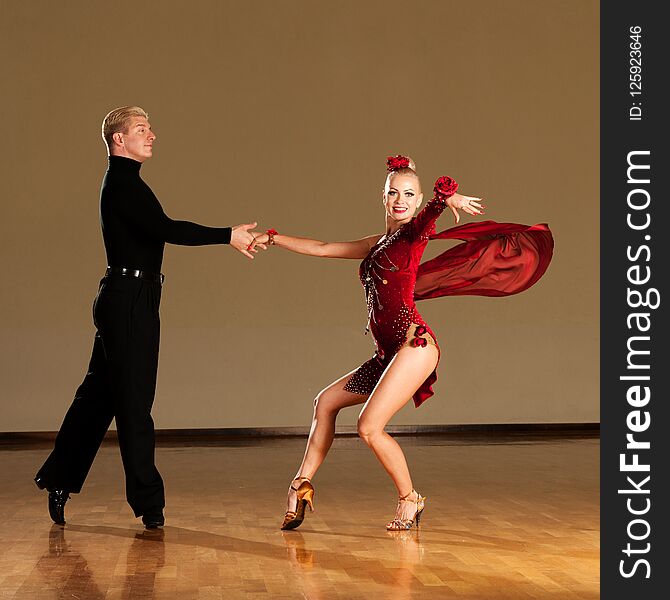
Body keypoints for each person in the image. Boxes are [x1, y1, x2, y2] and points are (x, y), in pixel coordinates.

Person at [249, 155, 553, 531]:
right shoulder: (378, 242)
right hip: (387, 354)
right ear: (383, 195)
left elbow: (427, 219)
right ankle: (300, 485)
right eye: (394, 192)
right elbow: (323, 247)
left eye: (409, 194)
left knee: (368, 427)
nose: (400, 200)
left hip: (416, 346)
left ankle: (411, 499)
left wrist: (444, 201)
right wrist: (274, 238)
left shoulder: (413, 234)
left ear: (418, 197)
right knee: (325, 403)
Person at [34, 106, 264, 528]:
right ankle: (149, 505)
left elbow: (159, 228)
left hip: (128, 297)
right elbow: (168, 229)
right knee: (134, 404)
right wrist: (227, 235)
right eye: (142, 129)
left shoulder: (128, 183)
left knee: (98, 396)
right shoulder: (122, 186)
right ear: (119, 139)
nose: (152, 135)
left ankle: (59, 479)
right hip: (129, 300)